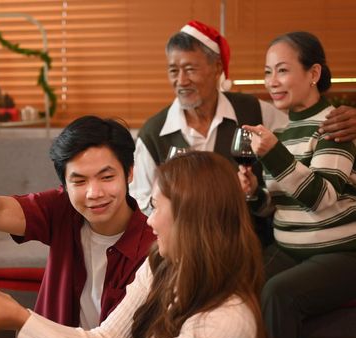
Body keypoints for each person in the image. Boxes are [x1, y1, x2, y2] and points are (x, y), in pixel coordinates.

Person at [0, 151, 267, 338]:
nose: (150, 220)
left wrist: (20, 320)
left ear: (194, 220)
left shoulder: (227, 323)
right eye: (79, 180)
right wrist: (19, 317)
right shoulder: (162, 263)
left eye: (157, 207)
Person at [0, 115, 155, 330]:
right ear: (65, 185)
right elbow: (1, 209)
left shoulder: (153, 247)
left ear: (129, 173)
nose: (94, 193)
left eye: (107, 178)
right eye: (79, 181)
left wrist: (19, 319)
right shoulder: (62, 208)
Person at [130, 20, 356, 218]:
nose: (181, 80)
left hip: (251, 243)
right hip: (186, 247)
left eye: (190, 69)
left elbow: (303, 124)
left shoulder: (253, 110)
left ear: (217, 67)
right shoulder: (153, 133)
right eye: (173, 71)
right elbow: (141, 203)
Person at [237, 31, 356, 338]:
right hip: (289, 249)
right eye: (267, 71)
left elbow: (321, 198)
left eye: (282, 70)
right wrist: (253, 194)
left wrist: (274, 154)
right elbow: (275, 206)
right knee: (236, 282)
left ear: (313, 73)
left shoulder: (336, 125)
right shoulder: (281, 133)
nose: (272, 81)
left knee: (278, 294)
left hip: (339, 253)